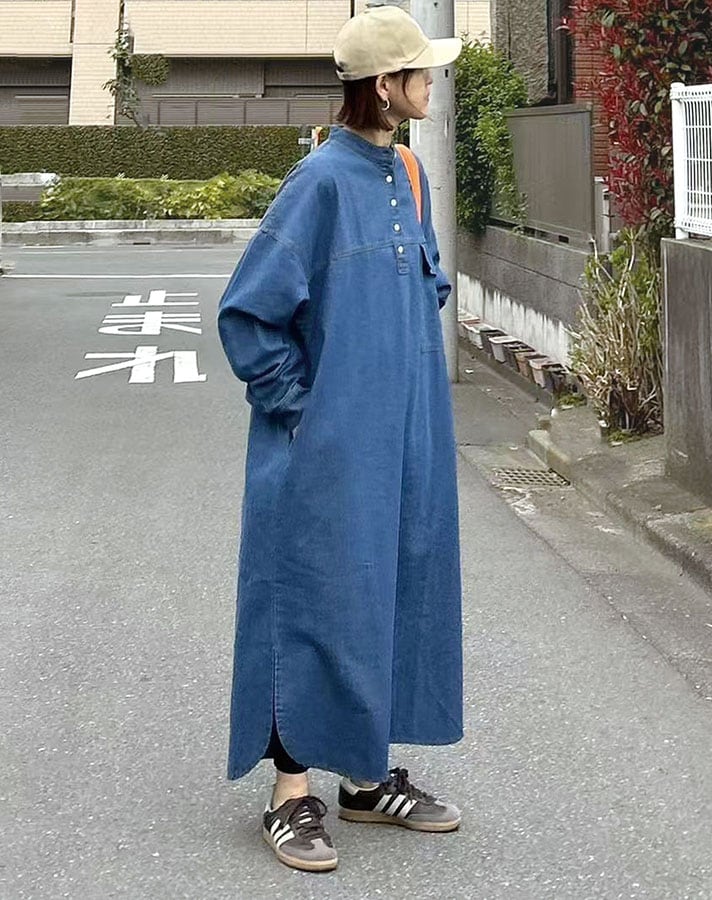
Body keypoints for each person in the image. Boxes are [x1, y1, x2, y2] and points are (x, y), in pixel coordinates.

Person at [217, 5, 464, 873]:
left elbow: (422, 286)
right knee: (312, 597)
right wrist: (306, 410)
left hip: (406, 437)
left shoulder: (409, 173)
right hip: (324, 447)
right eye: (421, 71)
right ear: (385, 86)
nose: (431, 82)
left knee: (391, 586)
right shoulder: (319, 182)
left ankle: (364, 778)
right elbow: (249, 314)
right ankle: (290, 794)